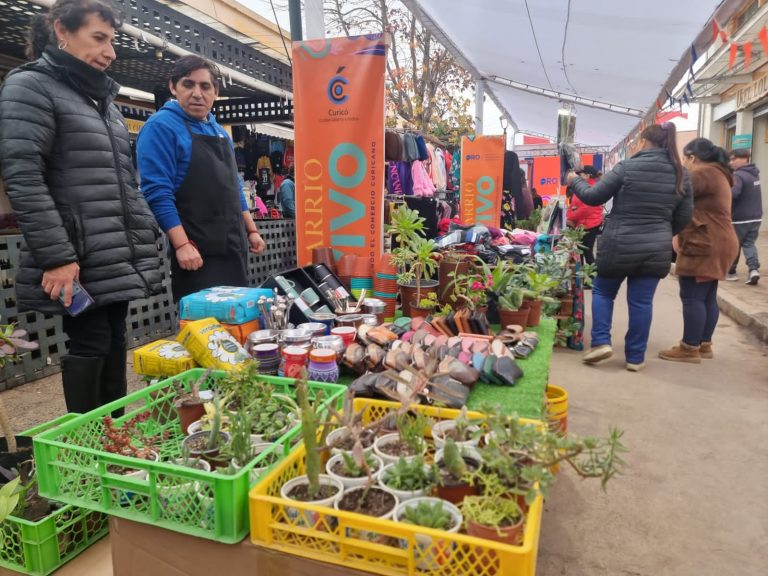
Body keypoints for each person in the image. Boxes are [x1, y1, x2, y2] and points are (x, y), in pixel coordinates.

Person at [0, 0, 162, 413]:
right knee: (90, 340)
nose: (110, 51)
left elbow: (122, 182)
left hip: (112, 250)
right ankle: (87, 452)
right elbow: (23, 177)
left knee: (113, 339)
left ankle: (113, 441)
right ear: (62, 31)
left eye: (112, 40)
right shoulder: (29, 86)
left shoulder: (102, 102)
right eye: (99, 38)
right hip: (76, 252)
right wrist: (57, 257)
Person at [137, 55, 266, 302]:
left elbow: (234, 186)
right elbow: (157, 192)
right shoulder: (160, 127)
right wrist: (182, 245)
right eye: (188, 84)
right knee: (203, 330)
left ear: (215, 92)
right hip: (196, 252)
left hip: (233, 248)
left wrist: (251, 230)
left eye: (205, 86)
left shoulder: (219, 131)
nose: (197, 93)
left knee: (238, 323)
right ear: (173, 87)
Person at [566, 123, 693, 372]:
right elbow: (685, 215)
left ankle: (601, 342)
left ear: (645, 142)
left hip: (619, 243)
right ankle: (635, 357)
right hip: (656, 248)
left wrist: (574, 181)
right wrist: (664, 232)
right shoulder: (681, 173)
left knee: (603, 291)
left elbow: (593, 197)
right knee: (642, 302)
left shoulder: (628, 167)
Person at [659, 139, 738, 364]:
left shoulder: (704, 173)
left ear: (693, 157)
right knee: (706, 296)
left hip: (705, 243)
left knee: (692, 296)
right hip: (718, 241)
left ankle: (689, 347)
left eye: (685, 158)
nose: (685, 163)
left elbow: (674, 191)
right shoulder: (718, 173)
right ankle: (703, 344)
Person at [726, 148, 762, 285]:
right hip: (756, 216)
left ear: (744, 158)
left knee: (734, 245)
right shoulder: (754, 173)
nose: (731, 162)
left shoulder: (738, 175)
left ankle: (731, 272)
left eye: (734, 159)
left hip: (740, 218)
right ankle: (753, 270)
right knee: (749, 244)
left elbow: (734, 194)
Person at [566, 165, 603, 265]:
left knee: (587, 253)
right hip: (583, 224)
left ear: (587, 175)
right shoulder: (583, 186)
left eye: (580, 174)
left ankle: (592, 278)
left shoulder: (591, 188)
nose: (577, 176)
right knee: (580, 253)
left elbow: (586, 209)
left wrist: (570, 216)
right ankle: (582, 277)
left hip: (589, 225)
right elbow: (574, 205)